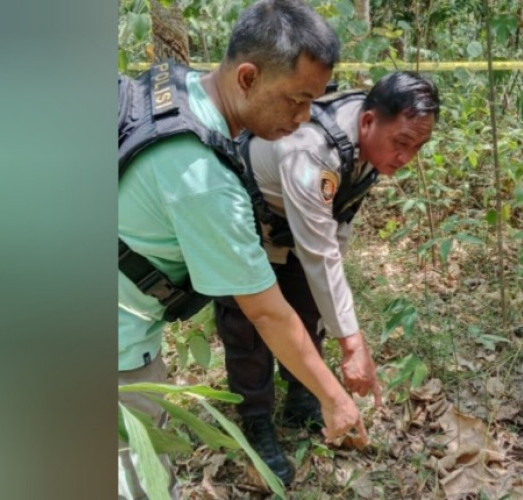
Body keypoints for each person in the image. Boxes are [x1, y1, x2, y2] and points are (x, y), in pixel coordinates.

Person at [117, 1, 366, 498]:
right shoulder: (203, 181)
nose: (302, 119)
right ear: (247, 77)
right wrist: (335, 399)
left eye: (314, 103)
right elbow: (268, 314)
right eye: (295, 100)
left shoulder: (175, 87)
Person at [213, 71, 440, 484]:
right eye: (402, 143)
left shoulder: (369, 148)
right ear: (369, 121)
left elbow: (335, 227)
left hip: (295, 227)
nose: (407, 157)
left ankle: (302, 395)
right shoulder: (313, 150)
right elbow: (320, 252)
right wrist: (353, 345)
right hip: (243, 221)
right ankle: (256, 419)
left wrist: (337, 318)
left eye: (418, 147)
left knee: (308, 308)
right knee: (248, 327)